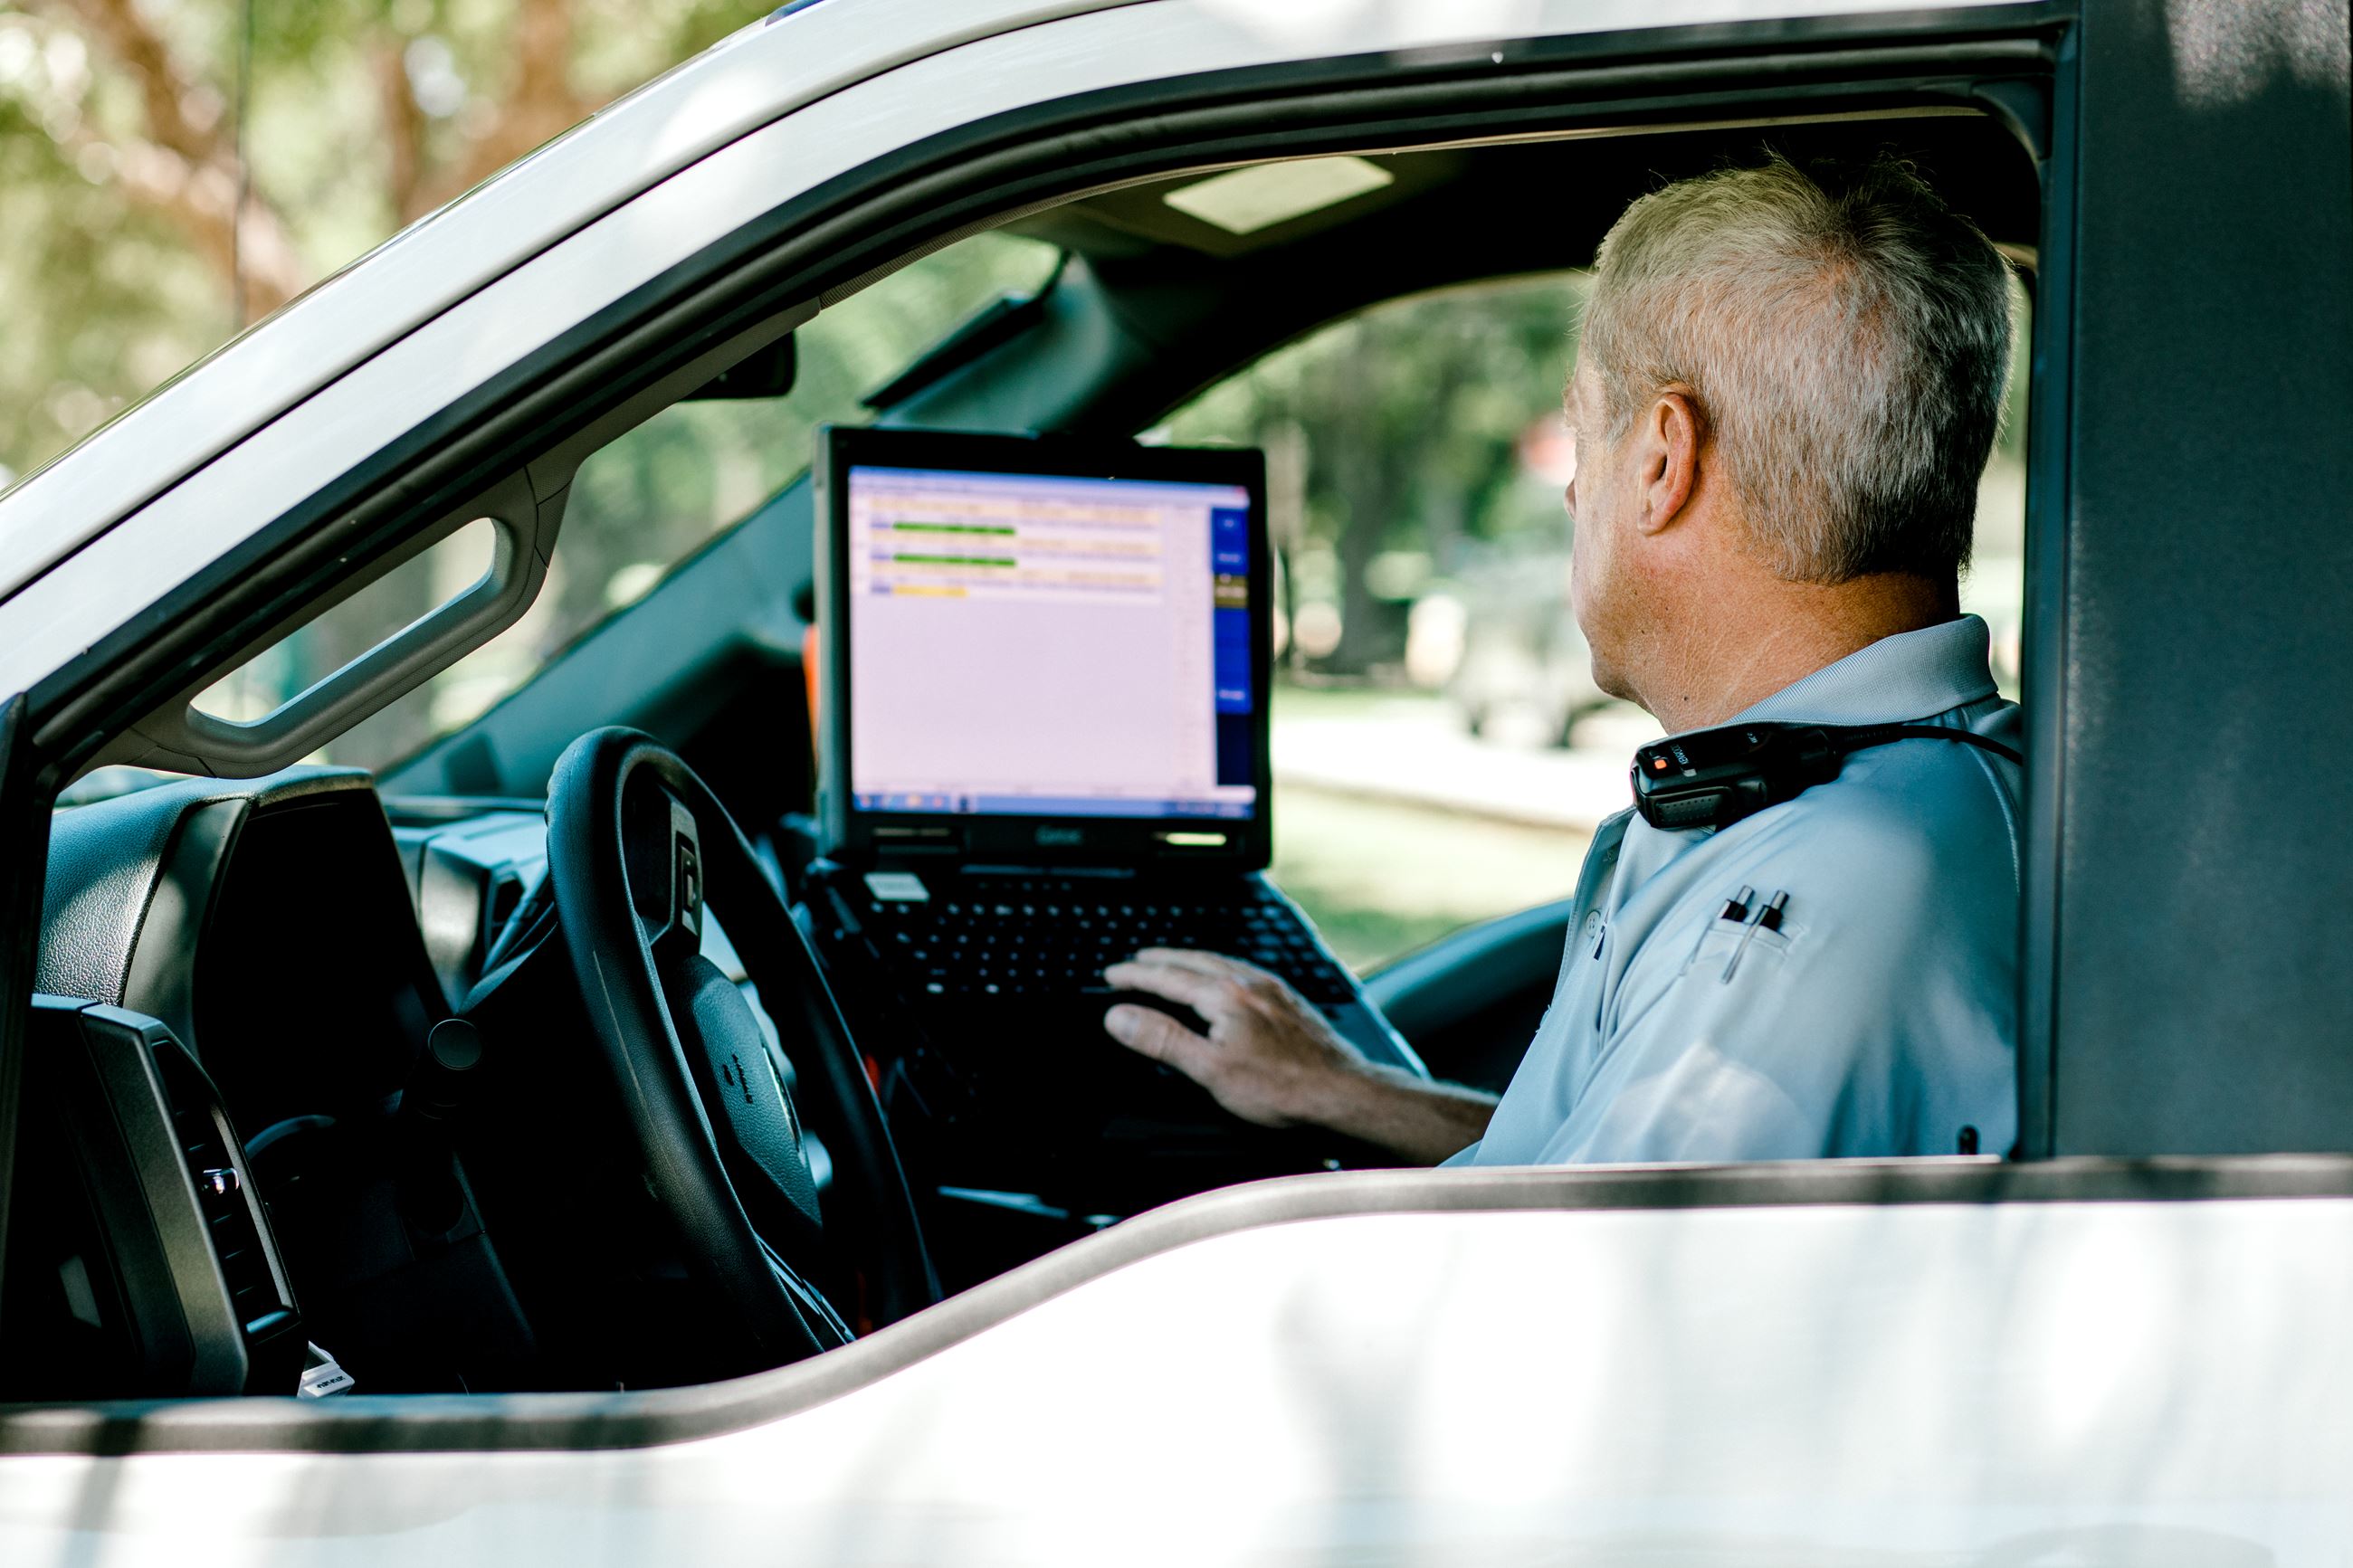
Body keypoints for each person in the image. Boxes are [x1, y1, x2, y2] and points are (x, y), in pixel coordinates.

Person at [1101, 153, 2023, 1166]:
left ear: (1664, 460)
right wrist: (1351, 1093)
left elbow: (1576, 1262)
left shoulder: (1807, 904)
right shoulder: (1889, 799)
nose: (1577, 493)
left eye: (1587, 439)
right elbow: (1585, 1175)